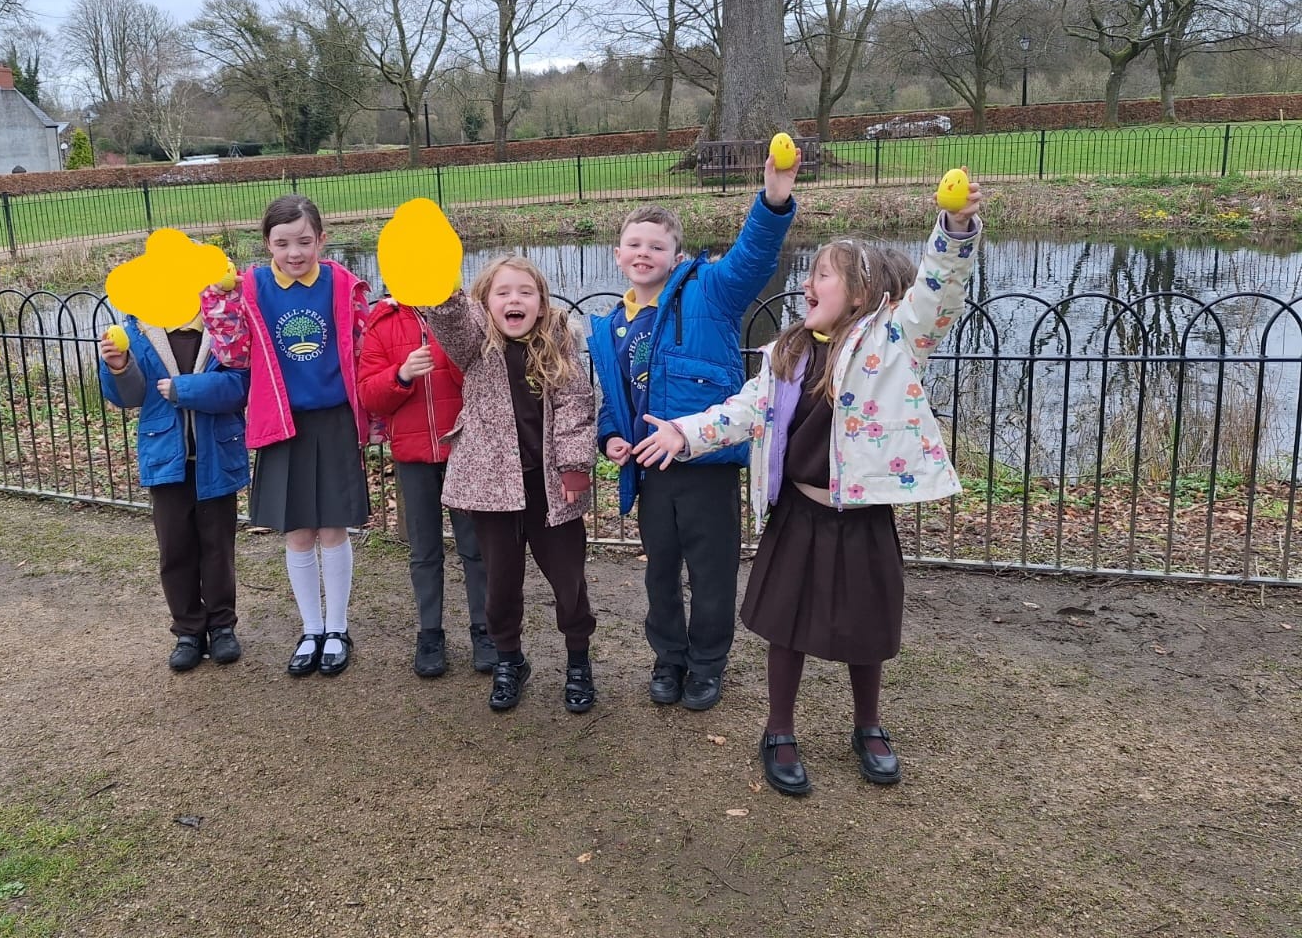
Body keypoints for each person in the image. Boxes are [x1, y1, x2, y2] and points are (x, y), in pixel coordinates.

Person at [634, 177, 983, 795]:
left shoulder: (895, 341)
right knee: (785, 625)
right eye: (811, 274)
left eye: (823, 275)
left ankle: (868, 726)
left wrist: (954, 230)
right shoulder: (786, 354)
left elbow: (939, 289)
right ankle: (779, 730)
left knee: (866, 626)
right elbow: (742, 411)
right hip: (798, 512)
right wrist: (685, 433)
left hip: (862, 515)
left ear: (862, 293)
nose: (807, 284)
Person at [587, 149, 798, 712]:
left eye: (656, 246)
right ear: (618, 254)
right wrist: (610, 437)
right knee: (660, 573)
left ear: (676, 256)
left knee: (711, 575)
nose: (644, 253)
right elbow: (616, 400)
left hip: (706, 467)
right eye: (634, 244)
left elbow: (752, 257)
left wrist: (773, 199)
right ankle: (669, 659)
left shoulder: (710, 290)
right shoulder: (611, 327)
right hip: (651, 470)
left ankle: (706, 665)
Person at [421, 255, 598, 713]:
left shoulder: (559, 343)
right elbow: (450, 322)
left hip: (550, 487)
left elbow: (576, 403)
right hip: (493, 487)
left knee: (568, 580)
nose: (513, 300)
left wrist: (574, 465)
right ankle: (509, 660)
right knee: (500, 583)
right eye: (502, 292)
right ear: (485, 302)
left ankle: (578, 660)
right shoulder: (475, 342)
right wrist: (441, 290)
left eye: (525, 292)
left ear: (541, 302)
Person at [205, 194, 372, 678]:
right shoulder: (250, 287)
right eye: (282, 243)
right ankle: (311, 629)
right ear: (267, 244)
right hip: (283, 421)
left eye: (303, 241)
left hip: (334, 419)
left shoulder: (342, 284)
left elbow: (363, 347)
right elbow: (234, 355)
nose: (294, 252)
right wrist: (219, 298)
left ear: (322, 239)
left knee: (333, 527)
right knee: (298, 531)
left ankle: (337, 629)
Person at [98, 314, 249, 672]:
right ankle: (188, 630)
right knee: (175, 548)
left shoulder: (224, 324)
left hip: (216, 455)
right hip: (166, 458)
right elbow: (130, 396)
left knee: (218, 547)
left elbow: (240, 386)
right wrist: (119, 366)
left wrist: (185, 390)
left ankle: (222, 625)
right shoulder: (138, 329)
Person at [358, 297, 496, 677]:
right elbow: (369, 394)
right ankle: (430, 633)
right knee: (424, 550)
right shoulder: (382, 322)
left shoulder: (465, 312)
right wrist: (401, 375)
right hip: (413, 455)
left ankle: (485, 630)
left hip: (464, 449)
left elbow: (485, 378)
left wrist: (451, 353)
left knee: (476, 547)